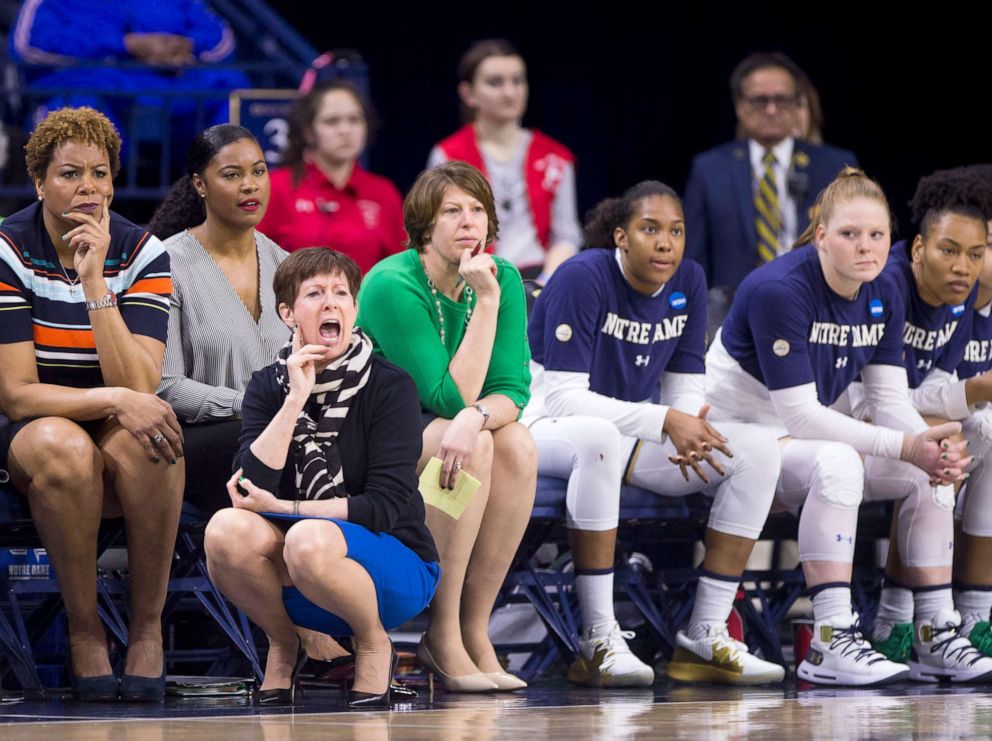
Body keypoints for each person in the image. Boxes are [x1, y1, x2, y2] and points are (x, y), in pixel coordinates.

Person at [705, 167, 973, 686]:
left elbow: (889, 399)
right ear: (821, 235)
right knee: (838, 462)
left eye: (876, 236)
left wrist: (929, 445)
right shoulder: (778, 289)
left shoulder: (883, 291)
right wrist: (907, 444)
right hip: (737, 439)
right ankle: (830, 639)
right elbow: (801, 416)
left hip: (793, 441)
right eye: (849, 235)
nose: (865, 248)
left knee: (928, 472)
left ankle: (933, 631)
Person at [527, 181, 784, 686]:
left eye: (676, 231)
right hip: (543, 425)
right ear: (621, 237)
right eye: (650, 229)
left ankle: (706, 633)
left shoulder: (688, 279)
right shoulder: (582, 277)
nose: (665, 242)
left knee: (755, 451)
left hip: (625, 430)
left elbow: (684, 388)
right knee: (596, 438)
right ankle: (597, 637)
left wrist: (689, 427)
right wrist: (666, 422)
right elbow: (561, 398)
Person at [203, 248, 440, 709]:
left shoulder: (390, 385)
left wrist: (288, 511)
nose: (331, 303)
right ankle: (284, 641)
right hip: (300, 577)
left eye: (341, 293)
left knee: (307, 538)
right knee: (225, 530)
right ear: (289, 313)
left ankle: (374, 643)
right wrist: (295, 400)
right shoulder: (269, 385)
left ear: (354, 310)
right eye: (314, 293)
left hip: (393, 565)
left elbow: (383, 506)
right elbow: (248, 487)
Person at [0, 107, 181, 701]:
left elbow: (142, 385)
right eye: (69, 174)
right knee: (64, 445)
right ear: (39, 182)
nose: (87, 189)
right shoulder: (8, 250)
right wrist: (110, 399)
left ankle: (147, 629)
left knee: (156, 436)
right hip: (32, 428)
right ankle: (84, 631)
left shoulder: (142, 252)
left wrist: (96, 281)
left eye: (99, 174)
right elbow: (17, 394)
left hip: (116, 423)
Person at [357, 161, 537, 692]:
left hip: (455, 428)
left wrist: (475, 417)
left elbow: (513, 389)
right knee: (476, 447)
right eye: (452, 211)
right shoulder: (392, 283)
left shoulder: (502, 276)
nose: (468, 223)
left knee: (518, 447)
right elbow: (443, 395)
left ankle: (473, 628)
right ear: (424, 226)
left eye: (477, 210)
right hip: (378, 440)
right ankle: (441, 631)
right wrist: (483, 304)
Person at [861, 168, 992, 680]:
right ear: (919, 248)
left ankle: (974, 615)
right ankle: (911, 624)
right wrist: (972, 396)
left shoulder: (959, 297)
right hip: (842, 412)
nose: (964, 266)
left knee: (976, 432)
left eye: (974, 253)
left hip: (894, 412)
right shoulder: (888, 284)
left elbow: (930, 390)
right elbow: (876, 392)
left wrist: (974, 397)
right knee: (946, 441)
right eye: (950, 250)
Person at [149, 124, 288, 514]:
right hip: (200, 438)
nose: (250, 185)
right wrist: (250, 405)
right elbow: (166, 387)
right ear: (200, 184)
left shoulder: (288, 265)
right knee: (259, 441)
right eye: (232, 175)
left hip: (280, 431)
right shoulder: (165, 263)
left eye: (259, 171)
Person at [684, 52, 857, 333]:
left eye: (782, 100)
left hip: (818, 315)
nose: (772, 110)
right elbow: (695, 260)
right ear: (740, 106)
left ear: (798, 105)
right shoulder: (710, 168)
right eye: (759, 101)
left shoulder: (833, 165)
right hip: (730, 320)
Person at [428, 39, 580, 282]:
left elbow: (566, 235)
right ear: (468, 94)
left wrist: (544, 283)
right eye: (495, 82)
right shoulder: (448, 155)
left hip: (537, 277)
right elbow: (436, 232)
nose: (510, 92)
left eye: (518, 80)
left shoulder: (555, 157)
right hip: (470, 276)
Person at [258, 79, 406, 275]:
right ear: (308, 132)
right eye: (332, 121)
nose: (345, 130)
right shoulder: (276, 187)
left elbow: (401, 271)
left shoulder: (384, 192)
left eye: (354, 120)